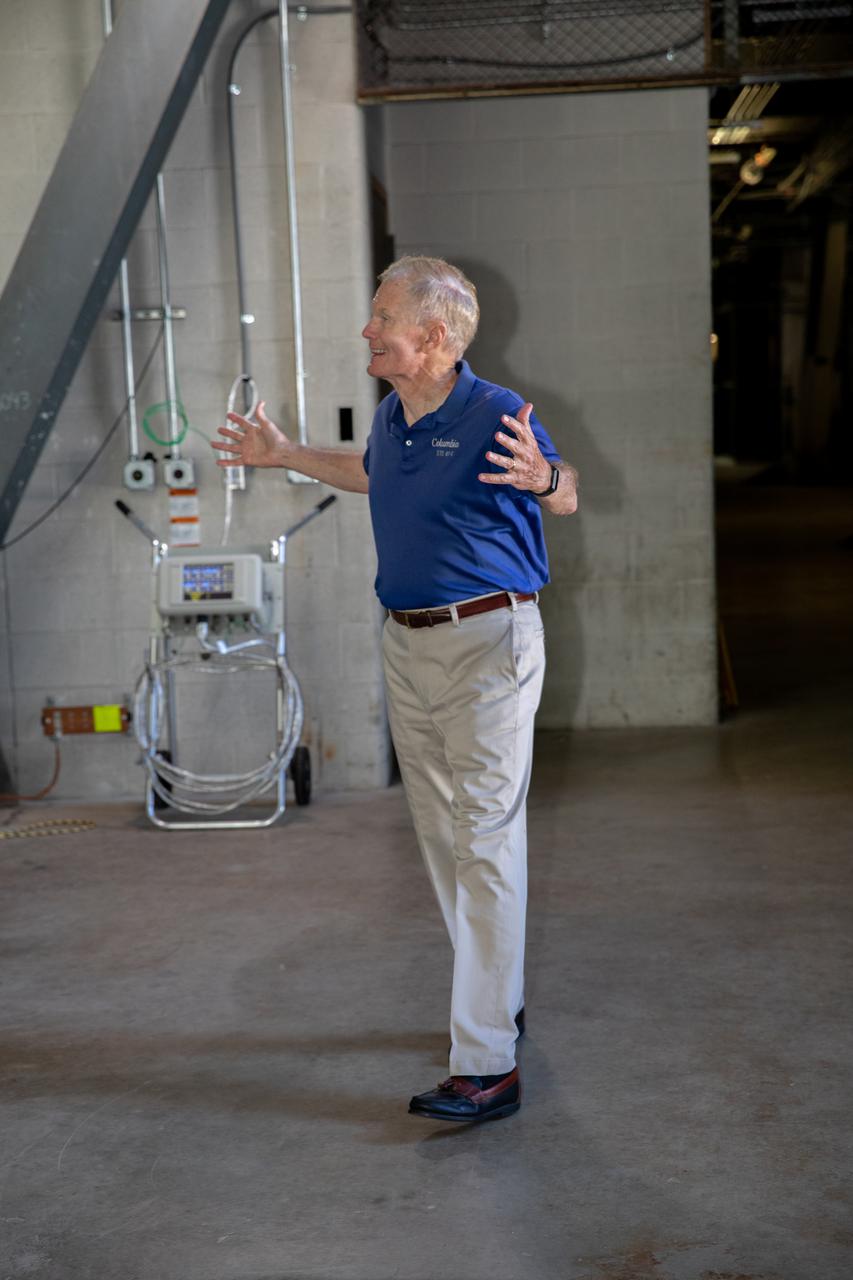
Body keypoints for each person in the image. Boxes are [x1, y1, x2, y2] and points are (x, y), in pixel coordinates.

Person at [213, 256, 578, 1123]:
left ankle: (487, 1063)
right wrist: (288, 455)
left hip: (489, 643)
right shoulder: (394, 414)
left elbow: (564, 494)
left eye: (382, 318)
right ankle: (497, 996)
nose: (368, 331)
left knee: (484, 837)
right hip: (407, 645)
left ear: (435, 337)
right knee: (443, 838)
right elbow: (376, 473)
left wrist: (545, 481)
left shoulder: (497, 413)